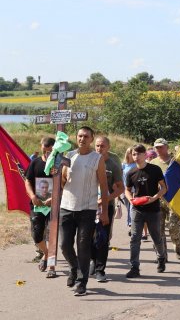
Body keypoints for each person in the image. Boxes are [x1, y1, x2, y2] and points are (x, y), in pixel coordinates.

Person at [60, 126, 109, 296]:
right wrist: (56, 174)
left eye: (86, 136)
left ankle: (82, 282)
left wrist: (104, 212)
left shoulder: (97, 159)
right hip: (66, 206)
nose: (82, 139)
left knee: (83, 245)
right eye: (80, 136)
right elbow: (63, 181)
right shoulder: (69, 156)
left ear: (91, 138)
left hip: (87, 208)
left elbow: (103, 185)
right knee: (65, 244)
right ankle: (74, 268)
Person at [125, 144, 167, 278]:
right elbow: (127, 189)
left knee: (156, 237)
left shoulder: (154, 170)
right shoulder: (130, 172)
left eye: (139, 154)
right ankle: (134, 267)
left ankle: (161, 257)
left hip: (153, 209)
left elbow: (164, 188)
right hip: (137, 209)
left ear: (145, 155)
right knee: (135, 238)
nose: (136, 157)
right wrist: (131, 199)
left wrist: (154, 198)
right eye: (134, 154)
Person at [90, 136, 124, 282]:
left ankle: (100, 270)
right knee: (87, 237)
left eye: (102, 146)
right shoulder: (89, 160)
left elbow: (120, 188)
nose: (99, 149)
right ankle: (93, 259)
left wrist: (106, 199)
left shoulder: (113, 165)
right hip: (88, 207)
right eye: (97, 146)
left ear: (108, 147)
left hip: (105, 206)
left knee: (102, 238)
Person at [24, 137, 57, 278]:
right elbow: (28, 181)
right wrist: (32, 196)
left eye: (50, 149)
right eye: (45, 147)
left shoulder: (58, 163)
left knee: (53, 236)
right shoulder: (35, 162)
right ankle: (46, 253)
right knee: (37, 236)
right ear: (41, 146)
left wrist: (54, 198)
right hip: (37, 205)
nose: (47, 150)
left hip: (53, 205)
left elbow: (63, 183)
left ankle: (51, 267)